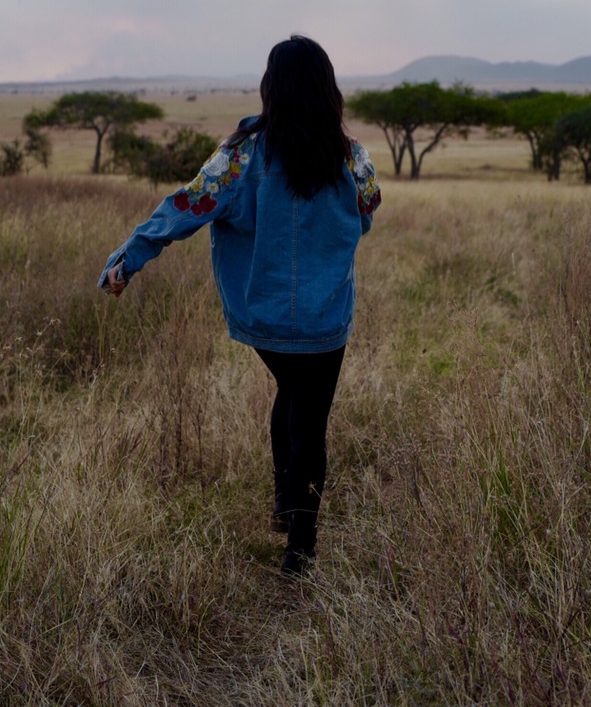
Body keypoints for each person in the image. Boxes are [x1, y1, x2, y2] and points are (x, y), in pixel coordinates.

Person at [99, 35, 381, 577]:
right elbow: (368, 212)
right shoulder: (351, 157)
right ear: (328, 89)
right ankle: (300, 549)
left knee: (292, 395)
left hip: (265, 316)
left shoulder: (240, 155)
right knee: (310, 418)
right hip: (326, 317)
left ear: (269, 89)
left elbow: (186, 205)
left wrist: (129, 258)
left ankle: (284, 502)